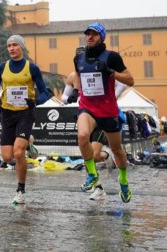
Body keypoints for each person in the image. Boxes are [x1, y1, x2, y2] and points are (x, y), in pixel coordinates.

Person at [74, 23, 134, 203]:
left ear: (102, 37)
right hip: (87, 107)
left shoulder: (112, 57)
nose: (90, 37)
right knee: (82, 136)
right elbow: (78, 75)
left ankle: (123, 180)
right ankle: (92, 175)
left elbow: (130, 80)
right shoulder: (79, 58)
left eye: (94, 34)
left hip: (108, 110)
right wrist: (77, 91)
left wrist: (110, 72)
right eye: (88, 34)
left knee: (117, 150)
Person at [0, 35, 51, 205]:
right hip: (7, 114)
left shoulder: (32, 68)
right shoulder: (2, 68)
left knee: (18, 153)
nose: (12, 48)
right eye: (9, 45)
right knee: (6, 157)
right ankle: (29, 142)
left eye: (15, 45)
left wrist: (36, 101)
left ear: (22, 47)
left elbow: (45, 92)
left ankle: (20, 190)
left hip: (25, 113)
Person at [64, 69, 128, 200]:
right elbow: (63, 98)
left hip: (103, 115)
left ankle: (107, 156)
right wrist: (70, 99)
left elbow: (122, 84)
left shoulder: (101, 71)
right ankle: (98, 188)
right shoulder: (73, 76)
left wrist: (112, 97)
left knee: (93, 156)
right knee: (88, 157)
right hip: (85, 115)